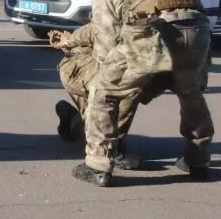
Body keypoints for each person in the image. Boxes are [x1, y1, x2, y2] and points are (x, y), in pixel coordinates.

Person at [73, 0, 214, 187]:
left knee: (105, 91)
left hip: (152, 27)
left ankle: (97, 166)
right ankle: (198, 160)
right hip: (196, 24)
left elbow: (105, 43)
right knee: (190, 93)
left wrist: (113, 75)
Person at [48, 25, 168, 170]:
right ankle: (110, 149)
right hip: (79, 65)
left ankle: (75, 120)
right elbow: (96, 28)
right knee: (124, 85)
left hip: (102, 64)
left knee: (122, 92)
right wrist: (69, 41)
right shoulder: (126, 11)